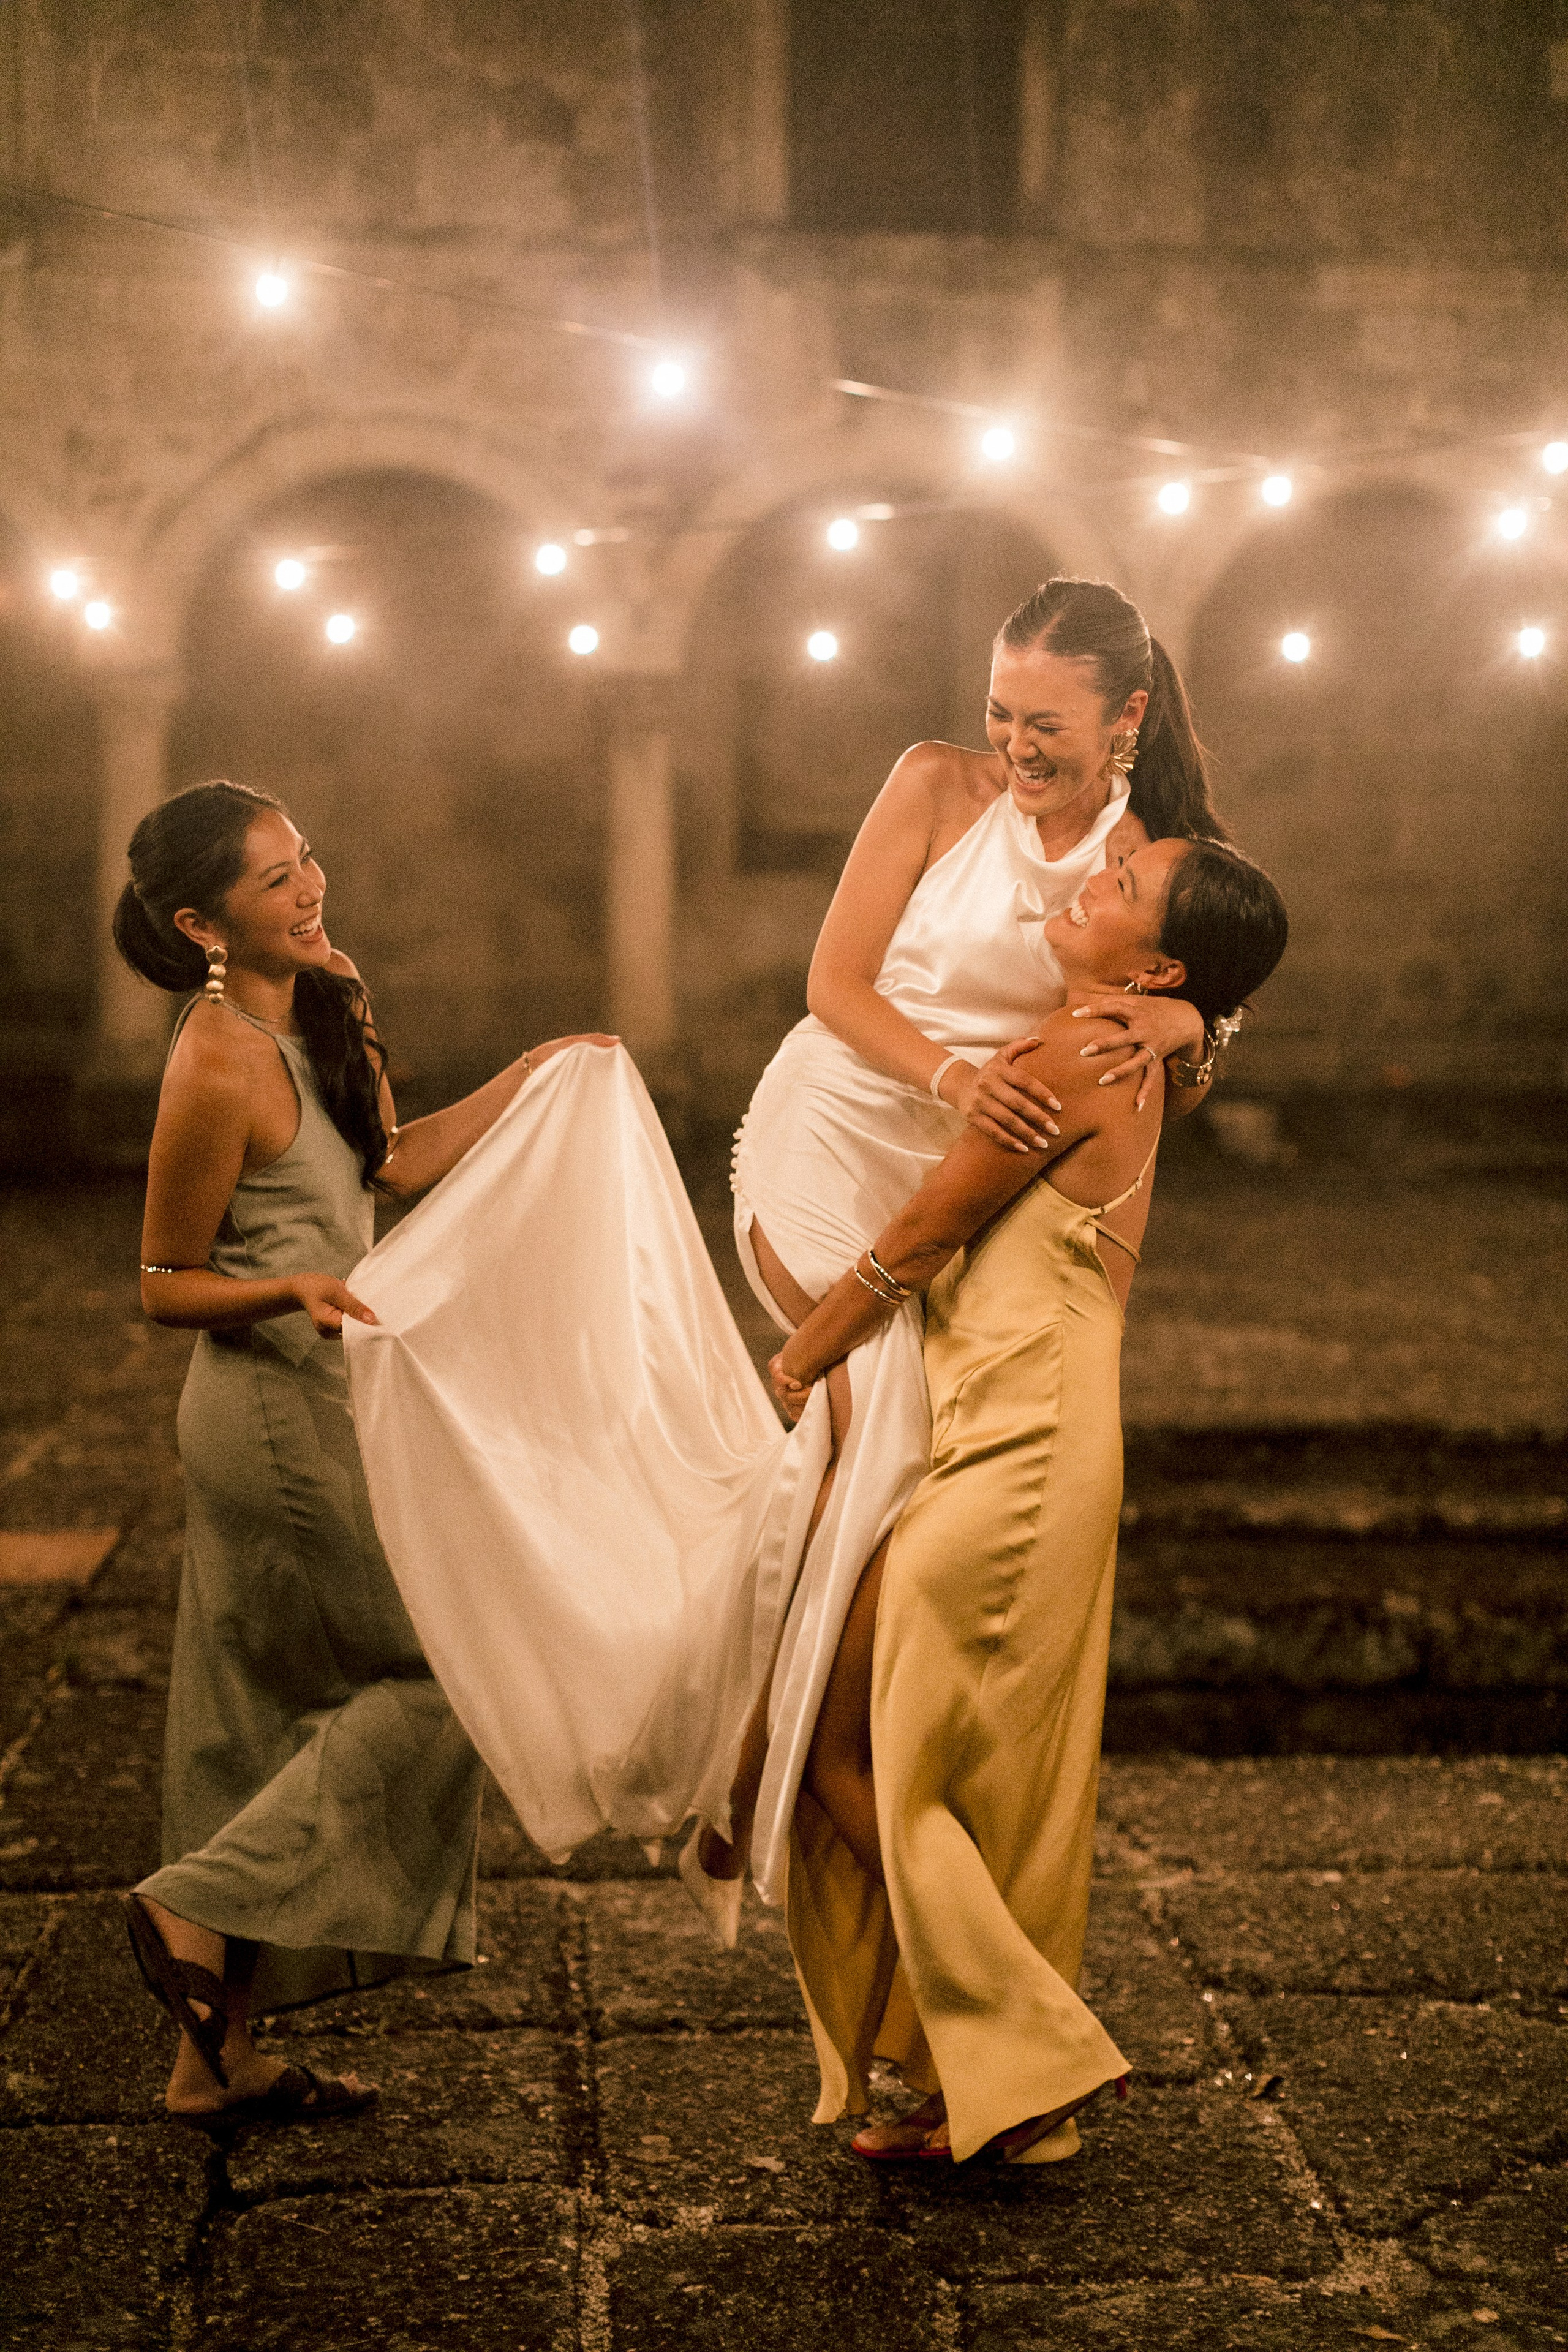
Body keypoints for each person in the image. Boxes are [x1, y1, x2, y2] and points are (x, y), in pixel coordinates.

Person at [701, 576, 1230, 1922]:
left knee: (913, 1468)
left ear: (1127, 715)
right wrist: (950, 1079)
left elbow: (1200, 988)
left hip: (970, 1182)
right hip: (838, 1129)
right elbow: (832, 983)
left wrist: (1196, 1030)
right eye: (1001, 712)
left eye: (1045, 723)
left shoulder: (1152, 851)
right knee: (880, 1416)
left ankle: (775, 1754)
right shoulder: (935, 785)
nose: (1015, 745)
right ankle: (792, 1762)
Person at [766, 835, 1289, 2165]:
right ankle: (984, 2077)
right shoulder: (1124, 1040)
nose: (1088, 882)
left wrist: (798, 1356)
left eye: (1122, 888)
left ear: (1158, 966)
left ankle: (1027, 2058)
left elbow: (927, 1230)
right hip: (1004, 1428)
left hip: (1026, 1445)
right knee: (902, 1757)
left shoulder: (1082, 1054)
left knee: (862, 1751)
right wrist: (1198, 1023)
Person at [113, 779, 613, 2129]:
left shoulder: (326, 995)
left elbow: (387, 1163)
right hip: (273, 1412)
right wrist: (291, 1289)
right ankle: (192, 1905)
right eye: (274, 879)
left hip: (339, 1391)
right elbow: (162, 1280)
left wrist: (537, 1072)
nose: (309, 887)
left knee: (251, 1723)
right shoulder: (215, 1057)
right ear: (200, 923)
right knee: (445, 1669)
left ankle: (213, 2063)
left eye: (307, 859)